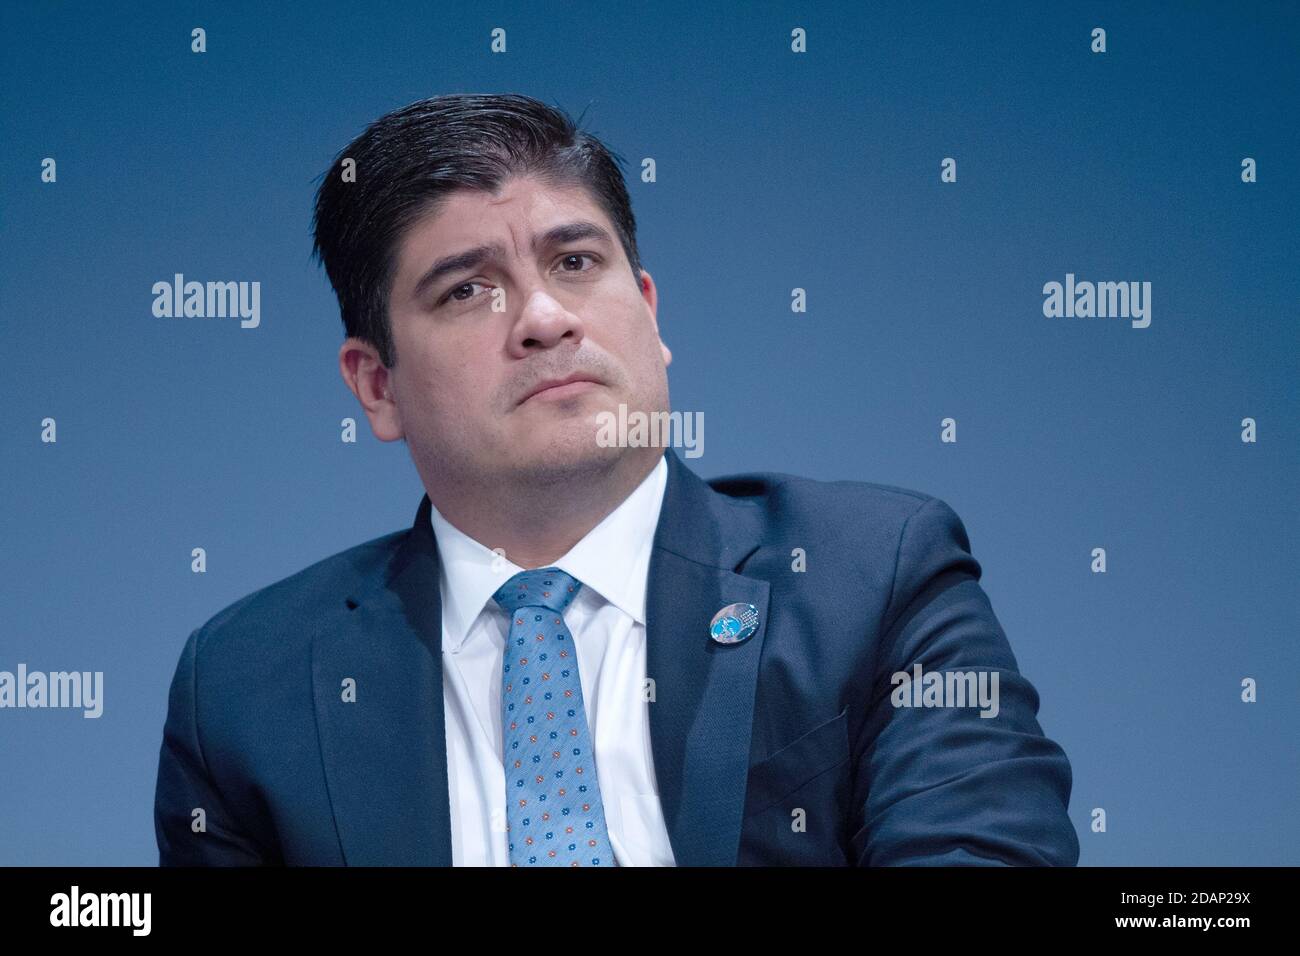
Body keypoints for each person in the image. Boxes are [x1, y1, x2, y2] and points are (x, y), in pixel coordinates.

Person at [154, 92, 1079, 867]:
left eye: (576, 262)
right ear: (377, 385)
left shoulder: (870, 577)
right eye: (466, 289)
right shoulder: (246, 687)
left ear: (647, 311)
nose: (545, 318)